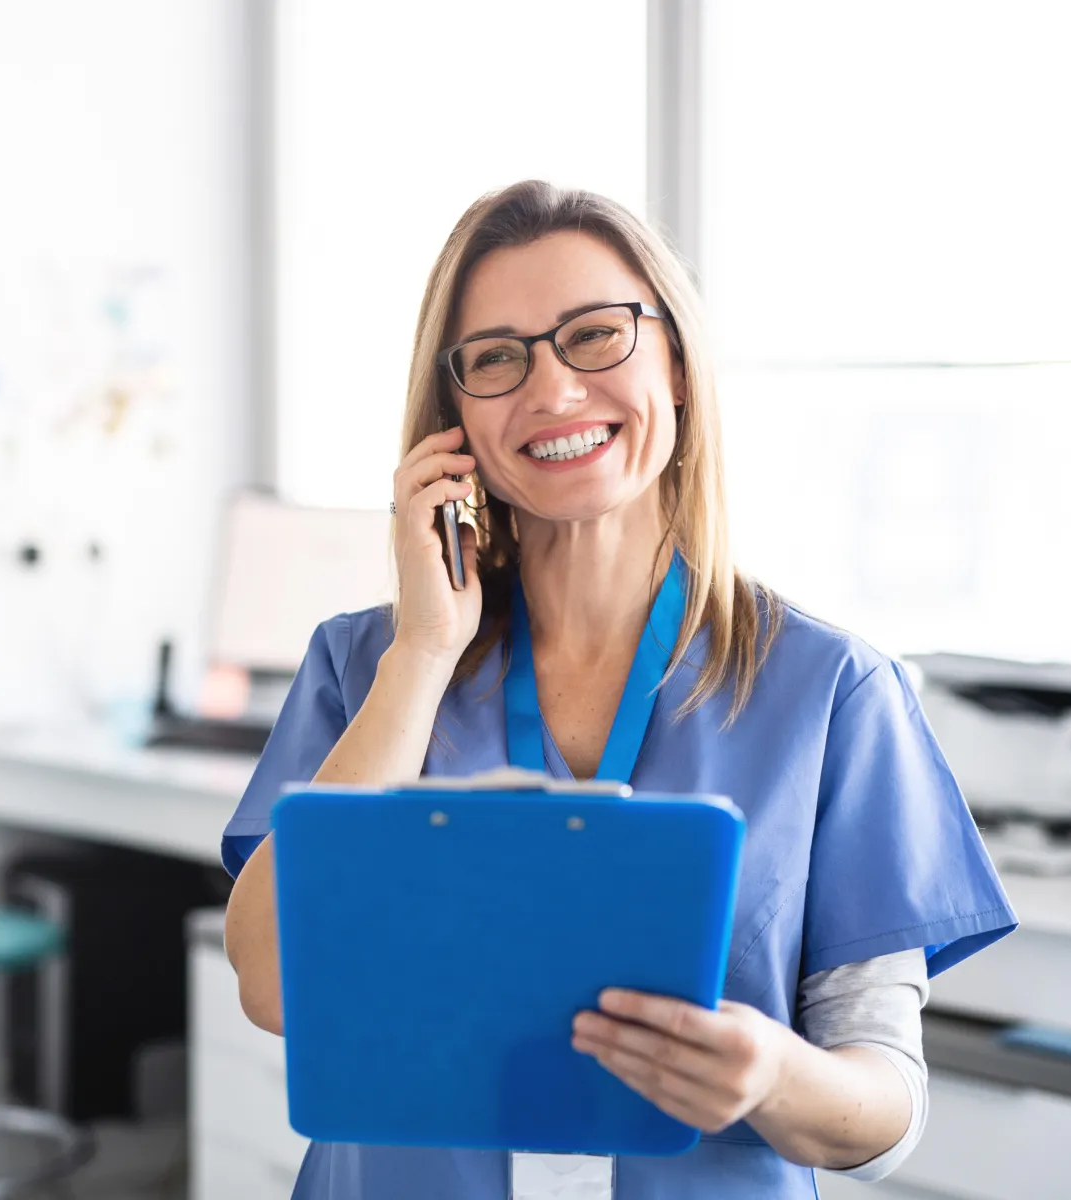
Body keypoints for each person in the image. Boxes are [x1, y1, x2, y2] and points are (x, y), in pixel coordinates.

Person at [221, 180, 1017, 1199]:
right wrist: (424, 650)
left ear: (676, 363)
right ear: (454, 415)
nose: (550, 393)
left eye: (595, 336)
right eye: (497, 358)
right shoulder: (367, 667)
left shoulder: (833, 692)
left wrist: (770, 1073)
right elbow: (274, 983)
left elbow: (885, 1108)